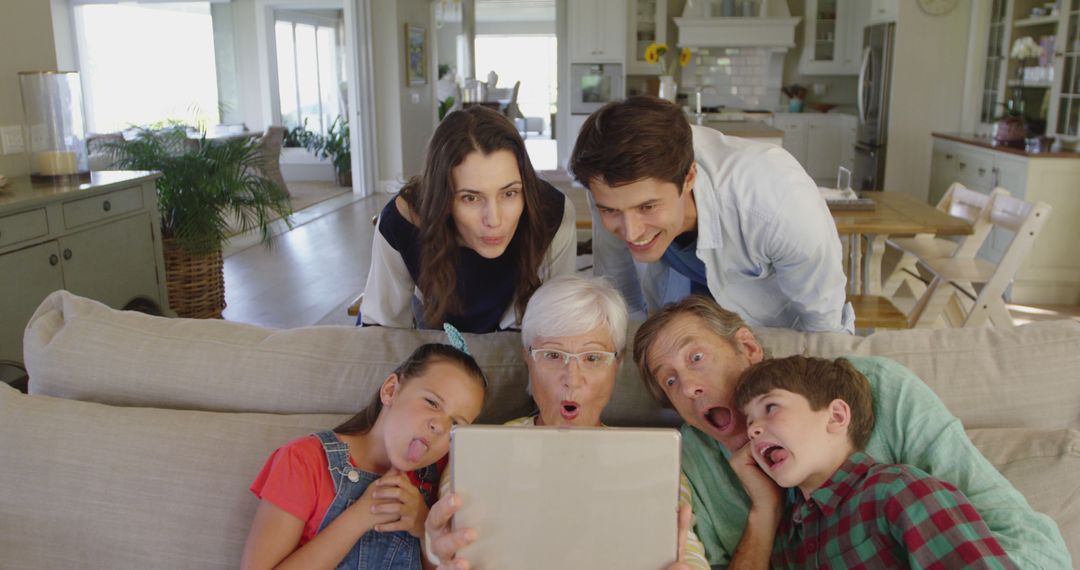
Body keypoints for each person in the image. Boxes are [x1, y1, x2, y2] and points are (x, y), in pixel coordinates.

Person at [631, 295, 1070, 569]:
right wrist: (765, 511)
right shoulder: (692, 466)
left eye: (696, 359)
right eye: (669, 381)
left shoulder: (880, 411)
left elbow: (1023, 539)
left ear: (747, 347)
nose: (688, 387)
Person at [422, 275, 708, 570]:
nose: (572, 379)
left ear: (617, 365)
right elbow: (446, 547)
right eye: (553, 355)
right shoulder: (479, 452)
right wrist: (432, 556)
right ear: (528, 360)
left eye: (593, 357)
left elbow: (687, 552)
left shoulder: (653, 458)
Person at [568, 96, 853, 333]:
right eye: (611, 210)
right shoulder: (608, 186)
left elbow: (824, 329)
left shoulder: (776, 202)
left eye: (647, 207)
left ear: (689, 176)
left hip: (780, 329)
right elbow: (619, 293)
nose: (631, 232)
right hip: (687, 304)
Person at [735, 355, 1017, 569]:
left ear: (836, 417)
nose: (753, 430)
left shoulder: (899, 492)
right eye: (749, 422)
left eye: (770, 407)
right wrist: (764, 507)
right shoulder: (788, 536)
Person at [240, 340, 487, 569]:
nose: (440, 426)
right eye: (432, 403)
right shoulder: (304, 461)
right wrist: (359, 517)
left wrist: (423, 524)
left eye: (456, 423)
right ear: (391, 390)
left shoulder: (444, 479)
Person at [361, 105, 576, 333]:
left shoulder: (552, 213)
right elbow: (381, 328)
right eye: (470, 198)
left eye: (509, 193)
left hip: (522, 333)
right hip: (435, 327)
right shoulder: (402, 222)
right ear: (441, 197)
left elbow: (556, 323)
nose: (494, 220)